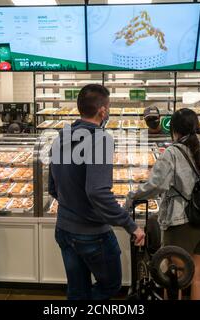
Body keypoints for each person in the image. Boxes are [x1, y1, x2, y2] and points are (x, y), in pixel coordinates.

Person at [49, 84, 145, 300]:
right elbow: (98, 192)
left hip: (64, 228)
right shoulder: (101, 138)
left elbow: (53, 188)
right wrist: (131, 225)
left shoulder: (59, 137)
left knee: (77, 289)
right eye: (108, 107)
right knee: (110, 286)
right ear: (102, 110)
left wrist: (73, 206)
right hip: (92, 234)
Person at [125, 108, 200, 300]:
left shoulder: (172, 153)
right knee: (199, 277)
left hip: (182, 222)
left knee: (174, 276)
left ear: (174, 129)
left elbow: (156, 185)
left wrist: (132, 196)